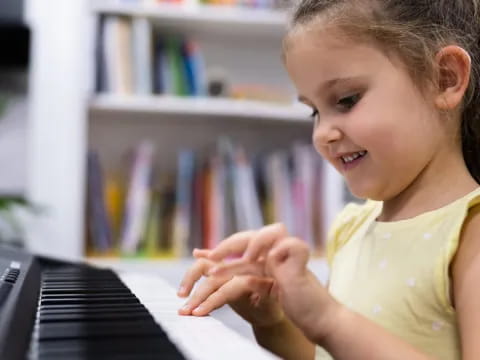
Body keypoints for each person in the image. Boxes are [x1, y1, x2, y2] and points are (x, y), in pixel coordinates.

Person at [177, 1, 480, 359]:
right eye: (315, 111)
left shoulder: (469, 234)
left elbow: (337, 332)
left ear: (444, 78)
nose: (323, 134)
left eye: (346, 100)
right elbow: (327, 354)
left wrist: (330, 319)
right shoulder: (351, 229)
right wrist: (273, 320)